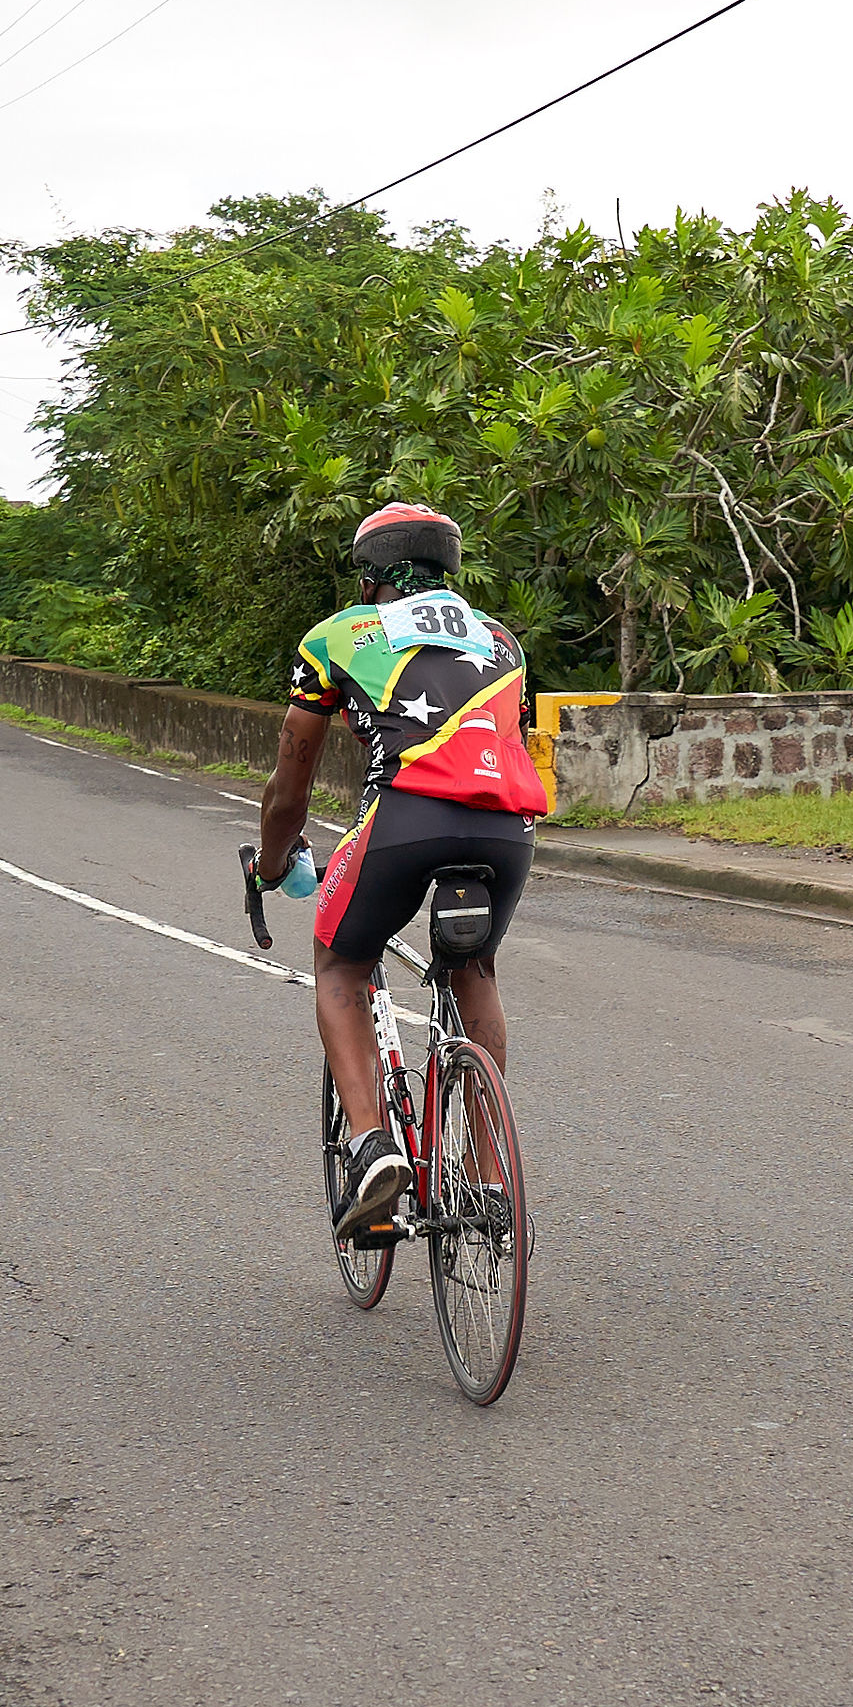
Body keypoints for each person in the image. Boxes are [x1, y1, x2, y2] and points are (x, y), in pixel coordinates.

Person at [255, 500, 545, 1238]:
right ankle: (486, 1179)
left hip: (403, 820)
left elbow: (292, 780)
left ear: (374, 573)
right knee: (472, 970)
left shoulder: (339, 636)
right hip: (508, 831)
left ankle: (372, 1146)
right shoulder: (503, 641)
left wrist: (273, 860)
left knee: (340, 965)